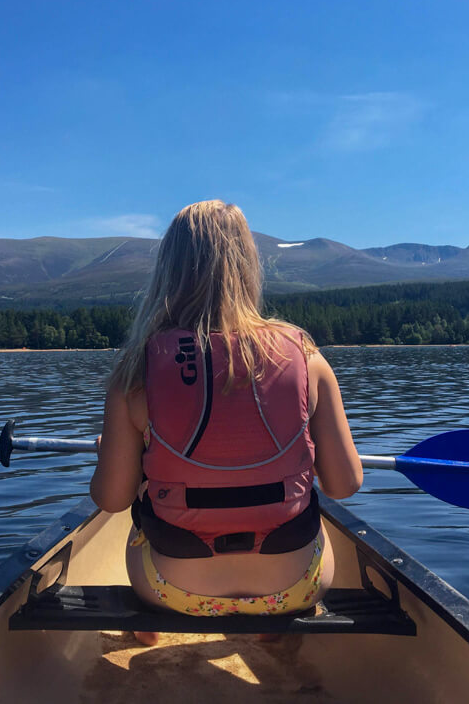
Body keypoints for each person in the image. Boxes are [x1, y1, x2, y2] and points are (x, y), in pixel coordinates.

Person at [91, 200, 362, 645]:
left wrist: (121, 459)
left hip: (174, 592)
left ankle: (148, 625)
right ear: (247, 266)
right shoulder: (308, 361)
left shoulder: (136, 375)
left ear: (169, 270)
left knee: (140, 509)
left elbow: (112, 499)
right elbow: (345, 484)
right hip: (294, 589)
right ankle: (270, 630)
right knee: (307, 511)